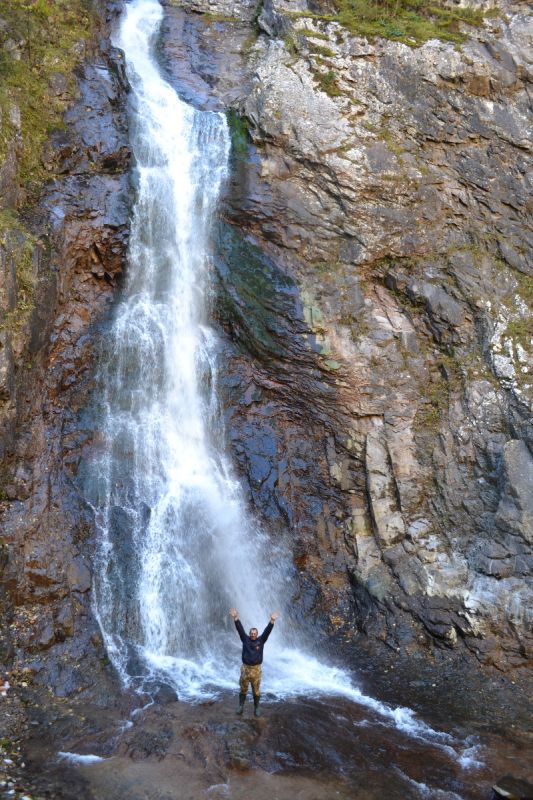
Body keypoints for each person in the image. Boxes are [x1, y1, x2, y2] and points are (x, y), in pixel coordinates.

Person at [229, 607, 279, 717]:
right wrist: (236, 618)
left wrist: (272, 621)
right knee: (243, 689)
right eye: (251, 633)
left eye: (254, 633)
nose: (252, 634)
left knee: (256, 690)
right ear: (249, 633)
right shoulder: (245, 639)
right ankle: (241, 706)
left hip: (256, 669)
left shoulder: (261, 641)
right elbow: (240, 629)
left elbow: (267, 631)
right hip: (245, 669)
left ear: (257, 634)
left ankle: (256, 708)